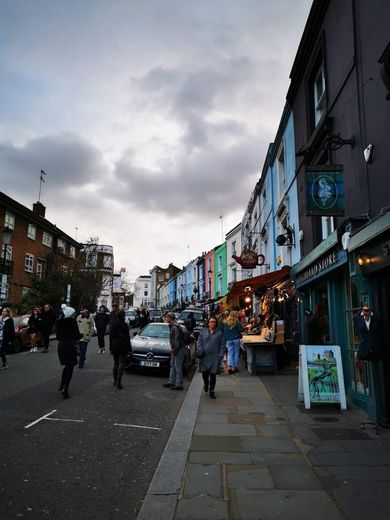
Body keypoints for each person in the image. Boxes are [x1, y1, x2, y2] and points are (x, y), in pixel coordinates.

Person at [56, 306, 83, 399]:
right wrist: (81, 335)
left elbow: (58, 336)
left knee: (66, 366)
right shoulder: (72, 322)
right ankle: (65, 388)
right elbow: (76, 336)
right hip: (69, 346)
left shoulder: (60, 322)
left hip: (61, 346)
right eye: (73, 313)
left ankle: (61, 384)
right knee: (70, 367)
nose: (74, 315)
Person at [196, 316, 226, 399]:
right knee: (204, 374)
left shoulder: (220, 333)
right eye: (211, 322)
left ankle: (212, 391)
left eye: (214, 322)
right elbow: (199, 342)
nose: (212, 323)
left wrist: (220, 355)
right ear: (208, 323)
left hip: (215, 357)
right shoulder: (203, 332)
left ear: (216, 323)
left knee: (213, 374)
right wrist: (200, 350)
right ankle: (206, 383)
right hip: (204, 356)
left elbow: (223, 345)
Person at [109, 308, 132, 389]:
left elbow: (111, 337)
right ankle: (119, 381)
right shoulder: (124, 325)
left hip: (114, 345)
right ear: (123, 315)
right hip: (122, 345)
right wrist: (129, 348)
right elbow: (127, 337)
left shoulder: (113, 324)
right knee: (121, 363)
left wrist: (110, 346)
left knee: (115, 364)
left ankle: (115, 380)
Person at [162, 311, 185, 390]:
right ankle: (171, 382)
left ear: (170, 318)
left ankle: (179, 384)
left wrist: (174, 351)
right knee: (173, 365)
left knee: (177, 366)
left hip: (178, 349)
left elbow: (176, 340)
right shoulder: (173, 325)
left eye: (166, 317)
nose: (165, 318)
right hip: (176, 349)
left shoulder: (174, 327)